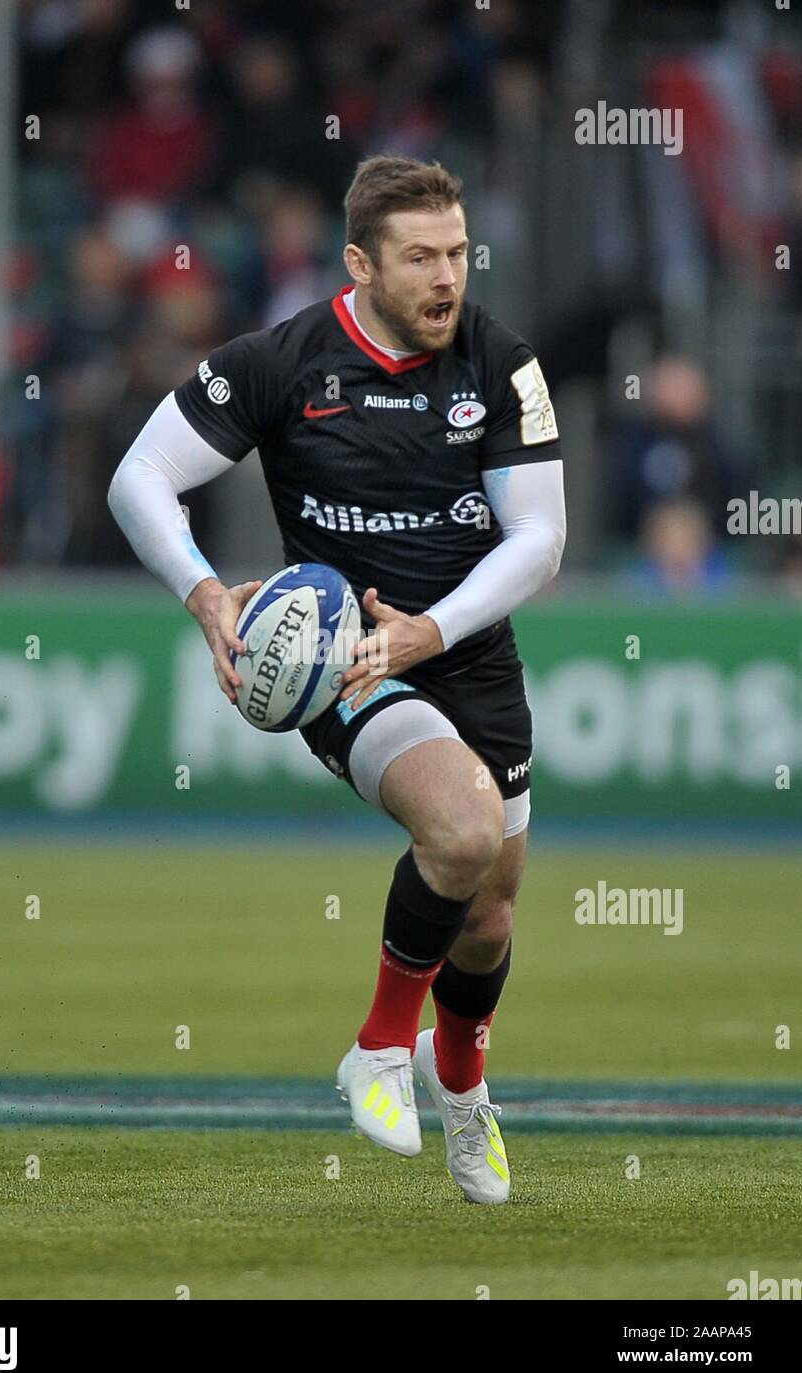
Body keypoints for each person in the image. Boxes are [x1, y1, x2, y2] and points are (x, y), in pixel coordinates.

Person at [108, 155, 566, 1205]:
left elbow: (539, 539)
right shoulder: (282, 362)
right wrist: (204, 593)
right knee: (456, 827)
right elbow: (140, 476)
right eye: (419, 258)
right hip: (345, 657)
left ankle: (464, 1092)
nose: (446, 276)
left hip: (468, 654)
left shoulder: (501, 362)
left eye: (456, 252)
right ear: (361, 262)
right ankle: (375, 1047)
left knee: (489, 913)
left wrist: (434, 633)